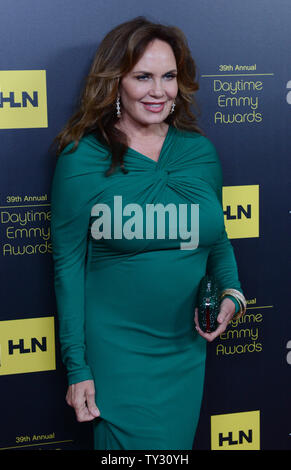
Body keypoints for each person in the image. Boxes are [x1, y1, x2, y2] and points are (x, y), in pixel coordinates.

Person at [50, 16, 246, 450]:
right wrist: (78, 367)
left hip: (185, 349)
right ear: (115, 82)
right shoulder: (82, 157)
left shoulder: (199, 152)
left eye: (169, 76)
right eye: (143, 77)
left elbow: (216, 238)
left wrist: (233, 296)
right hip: (117, 355)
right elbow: (66, 266)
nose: (159, 91)